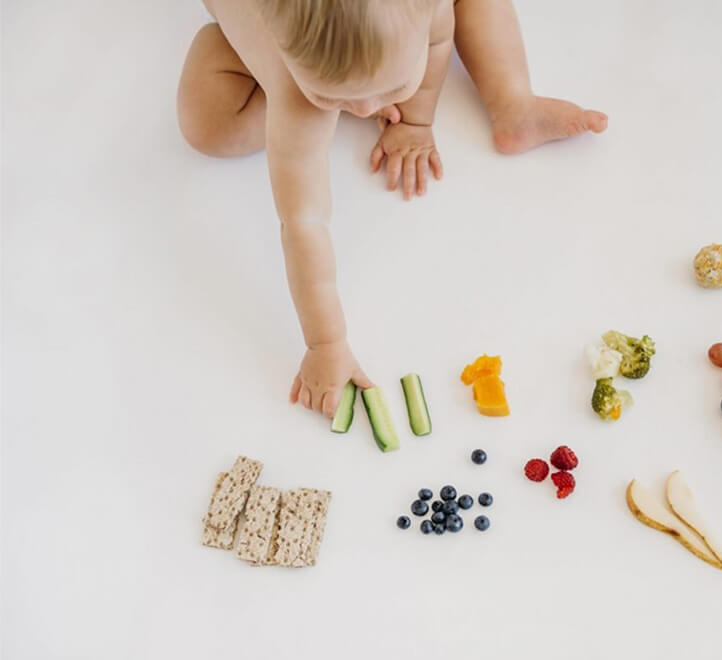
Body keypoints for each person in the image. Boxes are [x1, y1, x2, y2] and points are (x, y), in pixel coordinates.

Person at [177, 0, 607, 419]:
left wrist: (416, 120)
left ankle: (513, 101)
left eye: (391, 88)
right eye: (335, 94)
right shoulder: (296, 98)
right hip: (263, 49)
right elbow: (303, 222)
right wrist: (326, 344)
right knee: (207, 127)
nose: (368, 111)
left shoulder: (429, 11)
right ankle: (323, 74)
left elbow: (438, 40)